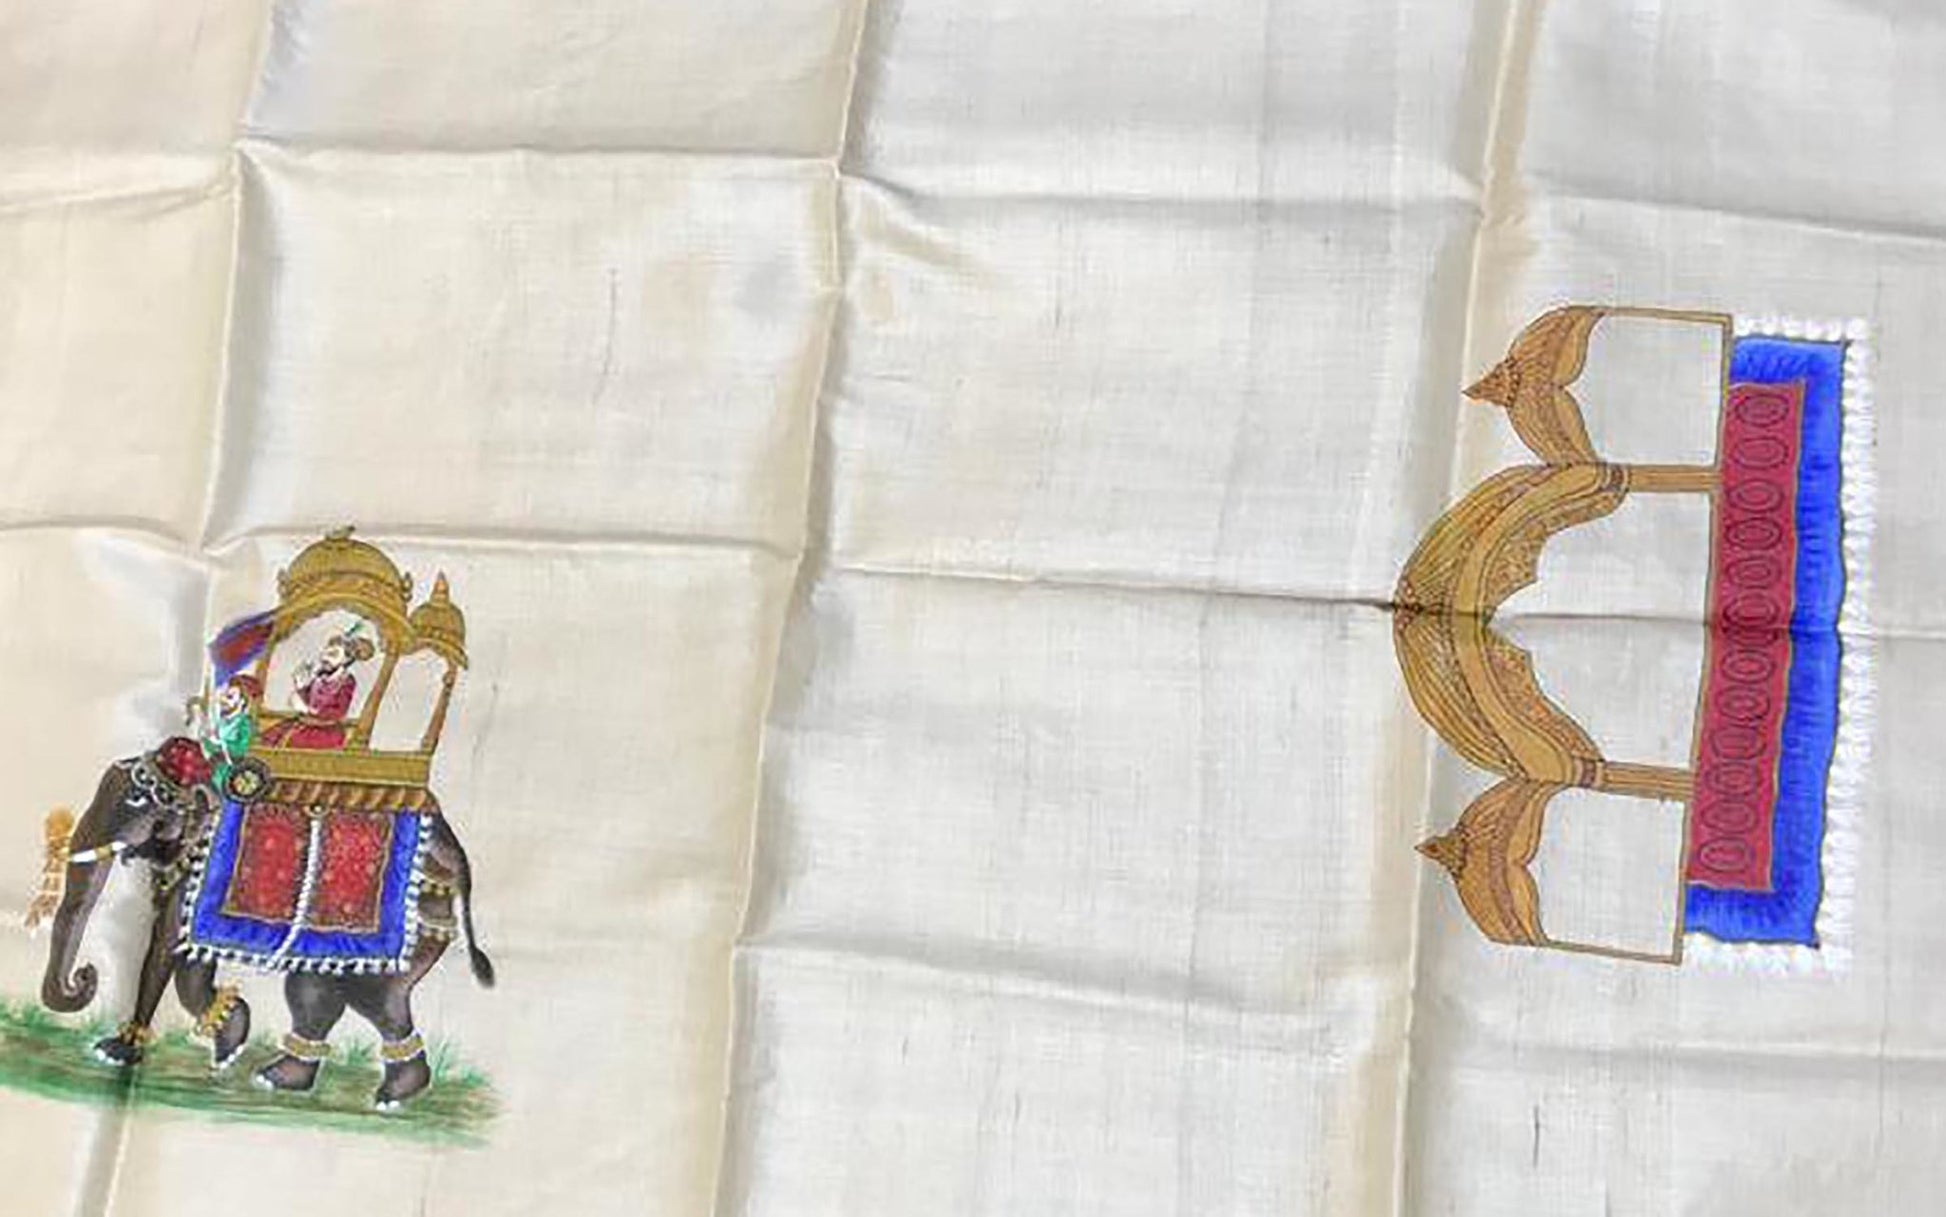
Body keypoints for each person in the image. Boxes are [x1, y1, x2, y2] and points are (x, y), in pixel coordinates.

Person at [260, 627, 376, 750]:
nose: (325, 658)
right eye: (325, 652)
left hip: (326, 731)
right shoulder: (319, 676)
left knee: (293, 743)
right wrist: (301, 687)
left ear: (347, 659)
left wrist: (311, 711)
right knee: (271, 737)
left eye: (333, 655)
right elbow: (307, 698)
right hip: (306, 722)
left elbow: (339, 712)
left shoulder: (346, 682)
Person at [200, 674, 261, 789]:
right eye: (223, 696)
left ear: (242, 701)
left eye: (229, 697)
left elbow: (240, 749)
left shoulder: (245, 724)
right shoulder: (223, 720)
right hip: (211, 768)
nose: (222, 700)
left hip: (229, 774)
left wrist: (219, 743)